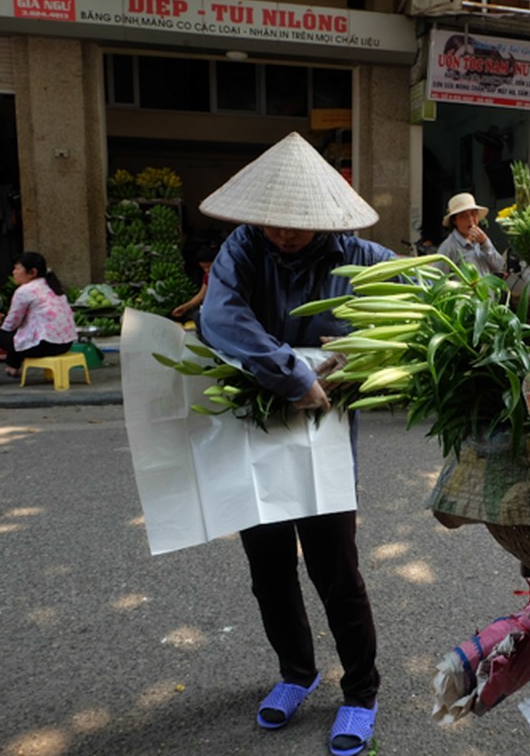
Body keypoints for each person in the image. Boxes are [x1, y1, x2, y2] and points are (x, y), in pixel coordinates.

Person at [197, 132, 389, 756]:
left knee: (337, 570)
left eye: (297, 225)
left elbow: (421, 299)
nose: (285, 235)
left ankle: (361, 691)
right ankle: (295, 673)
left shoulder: (359, 256)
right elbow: (223, 317)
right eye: (274, 223)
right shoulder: (242, 248)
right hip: (256, 427)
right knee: (269, 569)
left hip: (325, 433)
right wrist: (291, 373)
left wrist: (354, 363)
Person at [0, 251, 76, 387]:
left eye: (17, 268)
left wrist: (0, 333)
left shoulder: (25, 290)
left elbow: (11, 324)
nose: (14, 272)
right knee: (20, 334)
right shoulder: (52, 286)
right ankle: (13, 367)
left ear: (32, 272)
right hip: (65, 344)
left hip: (45, 345)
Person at [437, 192, 505, 275]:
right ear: (454, 221)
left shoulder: (481, 240)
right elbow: (438, 278)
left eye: (473, 214)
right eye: (463, 216)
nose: (470, 219)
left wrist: (485, 243)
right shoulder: (448, 247)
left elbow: (500, 266)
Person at [170, 245, 216, 323]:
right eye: (203, 268)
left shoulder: (226, 275)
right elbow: (201, 295)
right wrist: (185, 307)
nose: (206, 270)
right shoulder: (207, 277)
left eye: (208, 266)